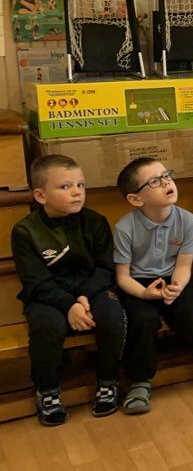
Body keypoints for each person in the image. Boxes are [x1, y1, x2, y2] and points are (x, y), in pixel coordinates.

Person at [13, 155, 142, 424]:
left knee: (112, 314)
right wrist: (69, 304)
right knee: (47, 325)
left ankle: (108, 380)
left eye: (80, 185)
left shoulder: (95, 221)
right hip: (48, 294)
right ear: (40, 195)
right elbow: (35, 280)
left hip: (92, 288)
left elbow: (106, 267)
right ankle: (48, 390)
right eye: (65, 186)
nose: (77, 192)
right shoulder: (25, 231)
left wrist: (82, 297)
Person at [113, 157, 193, 397]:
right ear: (136, 199)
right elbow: (123, 277)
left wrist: (176, 287)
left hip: (175, 277)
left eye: (166, 175)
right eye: (155, 181)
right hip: (137, 283)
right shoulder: (124, 228)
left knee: (191, 313)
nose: (167, 182)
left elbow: (184, 266)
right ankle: (139, 380)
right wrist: (144, 293)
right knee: (142, 319)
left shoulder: (188, 221)